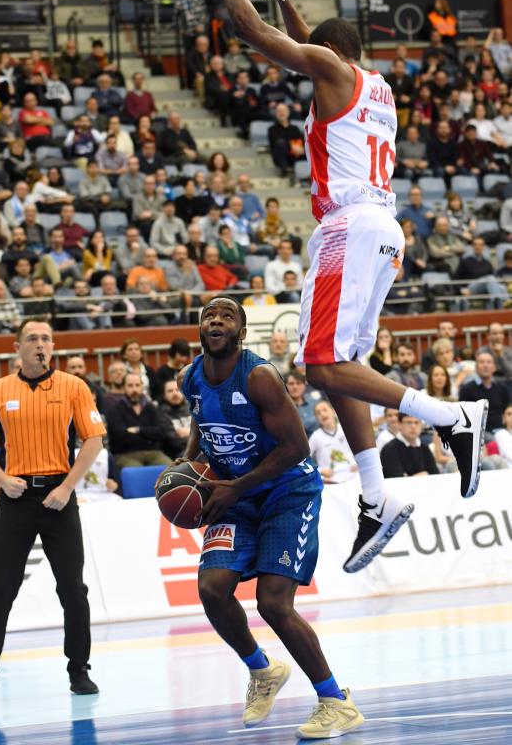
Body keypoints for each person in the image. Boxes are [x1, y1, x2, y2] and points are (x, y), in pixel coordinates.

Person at [215, 0, 488, 573]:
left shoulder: (331, 74)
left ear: (328, 59)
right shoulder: (372, 85)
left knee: (321, 363)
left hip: (350, 226)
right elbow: (309, 40)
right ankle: (376, 497)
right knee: (337, 366)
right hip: (379, 230)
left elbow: (248, 30)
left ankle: (451, 416)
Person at [176, 296, 364, 738]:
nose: (216, 320)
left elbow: (296, 448)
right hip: (235, 495)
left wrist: (235, 487)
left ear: (241, 332)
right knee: (211, 589)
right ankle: (262, 670)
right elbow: (202, 433)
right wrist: (186, 471)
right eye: (209, 316)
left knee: (273, 603)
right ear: (200, 329)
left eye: (227, 316)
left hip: (287, 492)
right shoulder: (190, 378)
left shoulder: (259, 377)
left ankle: (336, 701)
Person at [0, 319, 105, 703]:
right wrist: (1, 479)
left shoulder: (74, 387)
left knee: (73, 588)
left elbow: (94, 440)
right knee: (0, 589)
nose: (40, 344)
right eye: (32, 338)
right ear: (17, 346)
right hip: (16, 501)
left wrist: (67, 487)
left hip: (59, 499)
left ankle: (78, 670)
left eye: (46, 338)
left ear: (53, 346)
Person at [107, 373, 172, 471]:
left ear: (142, 387)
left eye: (137, 385)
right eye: (130, 385)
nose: (134, 390)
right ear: (124, 388)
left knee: (171, 469)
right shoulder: (115, 410)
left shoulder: (151, 408)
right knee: (137, 472)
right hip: (125, 454)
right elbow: (120, 436)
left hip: (153, 452)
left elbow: (162, 432)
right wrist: (149, 435)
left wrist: (138, 430)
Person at [308, 401, 357, 484]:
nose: (322, 414)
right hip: (330, 480)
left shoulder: (347, 428)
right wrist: (320, 470)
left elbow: (362, 448)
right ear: (317, 419)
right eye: (318, 413)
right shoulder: (315, 436)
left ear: (333, 411)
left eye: (324, 410)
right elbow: (305, 460)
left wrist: (359, 462)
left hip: (353, 474)